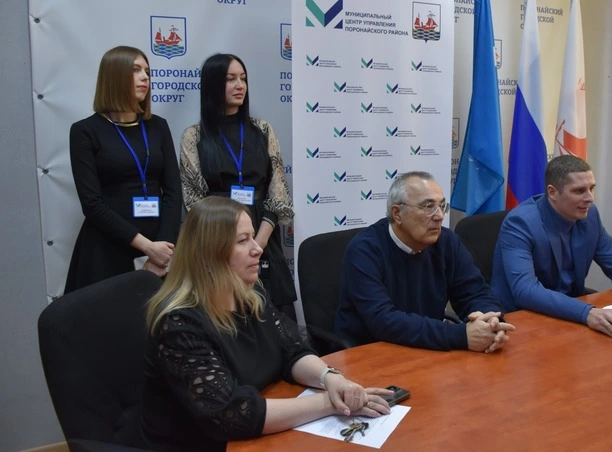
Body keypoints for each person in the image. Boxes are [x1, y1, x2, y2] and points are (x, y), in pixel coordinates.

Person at [142, 197, 392, 451]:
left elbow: (292, 349)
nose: (257, 249)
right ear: (209, 254)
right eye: (242, 241)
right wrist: (329, 403)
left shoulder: (252, 296)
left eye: (252, 237)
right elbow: (230, 414)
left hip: (259, 432)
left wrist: (330, 378)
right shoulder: (178, 324)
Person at [491, 155, 612, 341]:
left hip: (570, 313)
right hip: (520, 319)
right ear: (553, 192)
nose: (590, 198)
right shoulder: (520, 223)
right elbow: (526, 291)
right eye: (579, 191)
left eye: (591, 188)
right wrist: (587, 312)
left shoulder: (590, 216)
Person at [335, 171, 515, 353]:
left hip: (426, 348)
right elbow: (383, 320)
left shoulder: (447, 242)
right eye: (428, 207)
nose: (439, 216)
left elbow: (475, 293)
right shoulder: (364, 250)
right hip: (371, 353)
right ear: (397, 213)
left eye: (442, 206)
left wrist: (491, 322)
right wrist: (461, 335)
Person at [180, 53, 296, 318]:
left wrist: (256, 243)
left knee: (276, 319)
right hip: (218, 243)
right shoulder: (194, 136)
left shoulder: (263, 130)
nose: (239, 85)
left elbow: (278, 192)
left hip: (263, 235)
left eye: (243, 78)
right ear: (212, 84)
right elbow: (194, 201)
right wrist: (231, 246)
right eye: (230, 79)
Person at [66, 46, 181, 293]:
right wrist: (147, 247)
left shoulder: (158, 126)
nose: (145, 77)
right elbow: (91, 204)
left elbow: (173, 191)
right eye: (136, 70)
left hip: (161, 251)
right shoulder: (85, 131)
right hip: (107, 248)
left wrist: (161, 250)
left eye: (147, 71)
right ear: (114, 76)